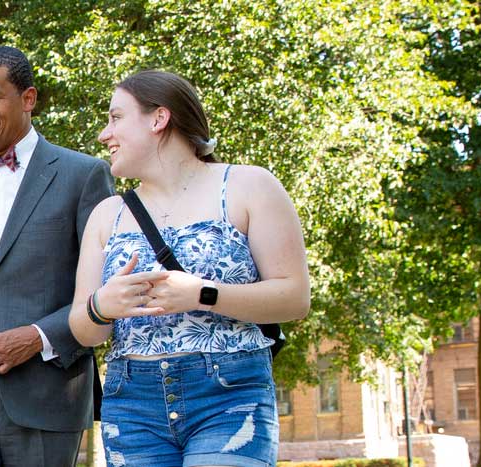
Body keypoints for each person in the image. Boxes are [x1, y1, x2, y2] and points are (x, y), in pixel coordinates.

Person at [67, 70, 310, 467]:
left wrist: (203, 293)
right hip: (132, 404)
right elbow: (83, 327)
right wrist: (102, 306)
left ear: (158, 119)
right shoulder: (106, 215)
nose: (103, 135)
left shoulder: (249, 186)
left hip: (229, 394)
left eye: (115, 118)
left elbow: (294, 297)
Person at [0, 45, 116, 466]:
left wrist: (39, 337)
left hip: (46, 393)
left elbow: (107, 289)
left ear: (28, 99)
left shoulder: (84, 175)